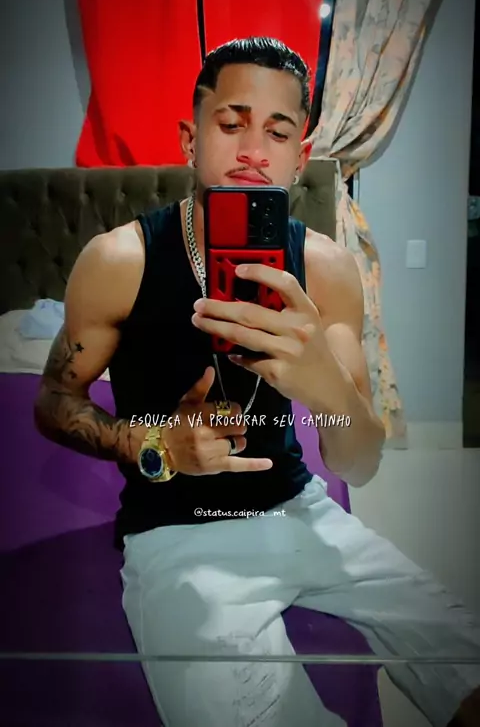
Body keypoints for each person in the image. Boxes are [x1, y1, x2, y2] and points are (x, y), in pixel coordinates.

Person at [34, 37, 480, 727]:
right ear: (191, 140)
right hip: (176, 534)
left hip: (301, 511)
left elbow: (358, 464)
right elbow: (54, 401)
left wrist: (325, 387)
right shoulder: (120, 260)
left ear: (301, 156)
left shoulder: (326, 268)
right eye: (231, 123)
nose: (252, 151)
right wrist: (155, 443)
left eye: (277, 131)